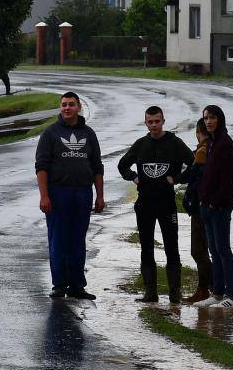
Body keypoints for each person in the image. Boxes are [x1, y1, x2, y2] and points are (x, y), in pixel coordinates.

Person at [118, 106, 194, 304]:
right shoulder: (140, 144)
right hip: (145, 204)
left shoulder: (175, 143)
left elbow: (193, 163)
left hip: (167, 203)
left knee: (172, 246)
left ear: (163, 121)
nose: (154, 125)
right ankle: (150, 292)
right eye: (150, 122)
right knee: (146, 247)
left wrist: (177, 179)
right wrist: (133, 177)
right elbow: (122, 165)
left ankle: (174, 293)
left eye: (157, 121)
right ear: (146, 123)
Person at [34, 92, 105, 300]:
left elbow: (97, 167)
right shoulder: (50, 133)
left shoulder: (88, 134)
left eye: (71, 105)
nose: (67, 108)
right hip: (58, 193)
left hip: (82, 193)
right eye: (64, 105)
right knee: (58, 240)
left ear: (79, 107)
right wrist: (44, 196)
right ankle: (59, 284)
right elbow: (41, 167)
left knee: (78, 240)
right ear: (60, 108)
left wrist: (99, 196)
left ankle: (77, 286)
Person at [193, 104, 233, 309]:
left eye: (212, 117)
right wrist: (203, 200)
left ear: (220, 119)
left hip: (220, 207)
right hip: (207, 206)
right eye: (206, 118)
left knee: (223, 249)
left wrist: (217, 202)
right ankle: (218, 292)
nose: (209, 121)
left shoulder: (225, 143)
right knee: (213, 249)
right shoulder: (210, 143)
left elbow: (229, 178)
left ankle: (231, 294)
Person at [181, 118, 213, 305]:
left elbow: (191, 176)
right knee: (210, 249)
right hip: (209, 206)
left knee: (199, 250)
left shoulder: (202, 152)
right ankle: (214, 287)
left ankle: (207, 289)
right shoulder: (211, 148)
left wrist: (174, 178)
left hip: (201, 208)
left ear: (198, 132)